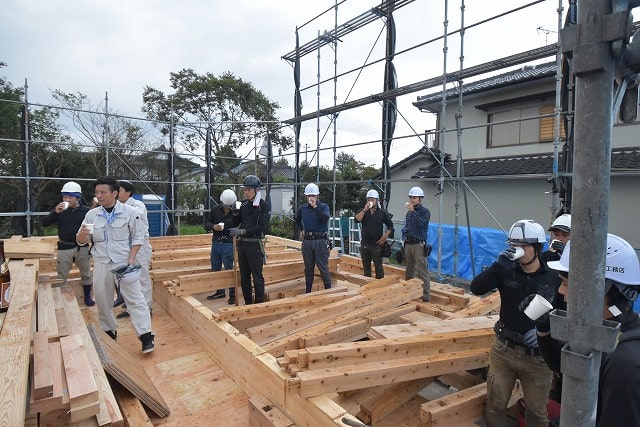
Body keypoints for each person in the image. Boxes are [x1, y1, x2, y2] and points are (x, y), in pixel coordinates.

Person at [529, 234, 640, 426]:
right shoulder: (596, 329)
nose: (560, 291)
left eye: (565, 283)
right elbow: (565, 365)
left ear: (600, 289)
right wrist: (544, 328)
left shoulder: (624, 363)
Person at [470, 219, 558, 427]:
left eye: (523, 246)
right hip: (504, 350)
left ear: (537, 247)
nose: (517, 250)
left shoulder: (553, 276)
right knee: (495, 404)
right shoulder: (506, 270)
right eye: (513, 245)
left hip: (538, 358)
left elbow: (567, 312)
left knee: (536, 413)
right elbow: (476, 288)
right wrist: (497, 266)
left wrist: (547, 333)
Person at [76, 176, 155, 353]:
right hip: (102, 263)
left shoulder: (130, 212)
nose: (99, 196)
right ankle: (109, 331)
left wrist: (132, 258)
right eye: (97, 192)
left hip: (123, 263)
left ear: (115, 193)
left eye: (103, 192)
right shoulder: (92, 214)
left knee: (135, 299)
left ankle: (146, 335)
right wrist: (81, 235)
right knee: (103, 300)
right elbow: (82, 241)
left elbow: (138, 237)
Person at [41, 181, 94, 307]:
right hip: (64, 247)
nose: (67, 199)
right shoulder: (60, 211)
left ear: (78, 198)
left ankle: (87, 297)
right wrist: (55, 212)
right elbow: (45, 223)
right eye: (65, 197)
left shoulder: (86, 211)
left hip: (82, 248)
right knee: (61, 275)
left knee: (86, 274)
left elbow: (94, 227)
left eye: (70, 197)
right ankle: (61, 300)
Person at [114, 180, 153, 319]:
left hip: (140, 248)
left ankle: (147, 309)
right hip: (124, 247)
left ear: (128, 192)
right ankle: (131, 309)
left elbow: (134, 215)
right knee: (127, 280)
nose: (116, 194)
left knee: (143, 279)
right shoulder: (117, 207)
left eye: (119, 191)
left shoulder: (138, 205)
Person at [228, 175, 269, 305]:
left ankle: (259, 304)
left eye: (248, 190)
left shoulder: (263, 205)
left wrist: (242, 231)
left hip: (254, 245)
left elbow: (262, 226)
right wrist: (234, 213)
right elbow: (236, 221)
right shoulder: (244, 204)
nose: (246, 192)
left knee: (257, 276)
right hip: (242, 244)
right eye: (244, 190)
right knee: (244, 276)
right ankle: (248, 303)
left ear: (256, 190)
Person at [295, 183, 332, 293]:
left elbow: (325, 219)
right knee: (308, 268)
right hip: (308, 241)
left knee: (323, 268)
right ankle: (308, 292)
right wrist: (301, 229)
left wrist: (315, 207)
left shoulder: (323, 206)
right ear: (306, 196)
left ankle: (329, 292)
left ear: (317, 196)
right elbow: (297, 219)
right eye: (308, 196)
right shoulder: (302, 208)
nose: (311, 198)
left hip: (320, 240)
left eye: (313, 196)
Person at [204, 189, 238, 304]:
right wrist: (213, 226)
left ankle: (233, 294)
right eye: (225, 206)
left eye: (229, 206)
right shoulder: (215, 209)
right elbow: (206, 224)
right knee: (216, 268)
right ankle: (220, 291)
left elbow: (241, 224)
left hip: (228, 243)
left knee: (229, 269)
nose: (227, 208)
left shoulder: (236, 211)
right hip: (216, 242)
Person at [354, 189, 394, 279]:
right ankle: (367, 285)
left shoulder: (382, 213)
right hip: (365, 244)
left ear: (377, 200)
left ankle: (380, 285)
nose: (370, 201)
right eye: (368, 199)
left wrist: (384, 237)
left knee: (378, 267)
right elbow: (357, 220)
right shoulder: (363, 211)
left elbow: (390, 226)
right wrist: (364, 210)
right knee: (366, 268)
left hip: (376, 245)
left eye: (372, 199)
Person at [401, 186, 431, 302]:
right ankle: (410, 293)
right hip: (408, 243)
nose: (412, 199)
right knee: (409, 270)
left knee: (422, 271)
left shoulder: (425, 212)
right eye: (411, 197)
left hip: (419, 244)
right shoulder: (409, 213)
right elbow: (407, 227)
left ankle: (425, 295)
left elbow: (421, 224)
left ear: (420, 198)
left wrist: (413, 211)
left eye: (414, 197)